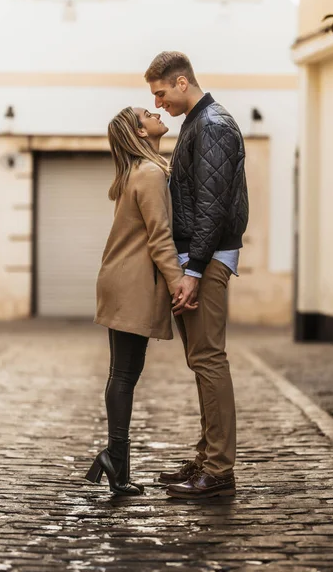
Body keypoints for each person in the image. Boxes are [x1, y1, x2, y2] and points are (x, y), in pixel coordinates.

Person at [145, 51, 249, 499]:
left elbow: (212, 206)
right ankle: (207, 457)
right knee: (201, 360)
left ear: (182, 82)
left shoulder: (213, 126)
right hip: (197, 259)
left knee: (208, 359)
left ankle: (219, 469)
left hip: (203, 262)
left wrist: (196, 268)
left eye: (161, 92)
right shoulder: (196, 123)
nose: (158, 101)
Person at [84, 106, 197, 496]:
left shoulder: (140, 171)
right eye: (147, 113)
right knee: (125, 373)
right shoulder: (149, 174)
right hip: (130, 283)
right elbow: (159, 237)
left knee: (122, 372)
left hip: (121, 280)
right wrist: (179, 280)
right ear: (141, 131)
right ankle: (116, 459)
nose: (156, 113)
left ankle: (116, 460)